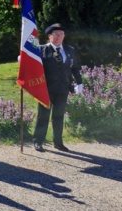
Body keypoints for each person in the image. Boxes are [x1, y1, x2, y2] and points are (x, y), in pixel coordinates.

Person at [33, 23, 83, 153]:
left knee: (59, 116)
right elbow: (32, 65)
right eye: (55, 34)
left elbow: (75, 67)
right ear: (49, 36)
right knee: (43, 116)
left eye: (61, 34)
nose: (59, 36)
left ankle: (58, 142)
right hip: (46, 89)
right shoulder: (41, 50)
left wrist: (79, 82)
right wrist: (23, 60)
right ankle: (38, 142)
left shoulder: (69, 49)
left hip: (63, 88)